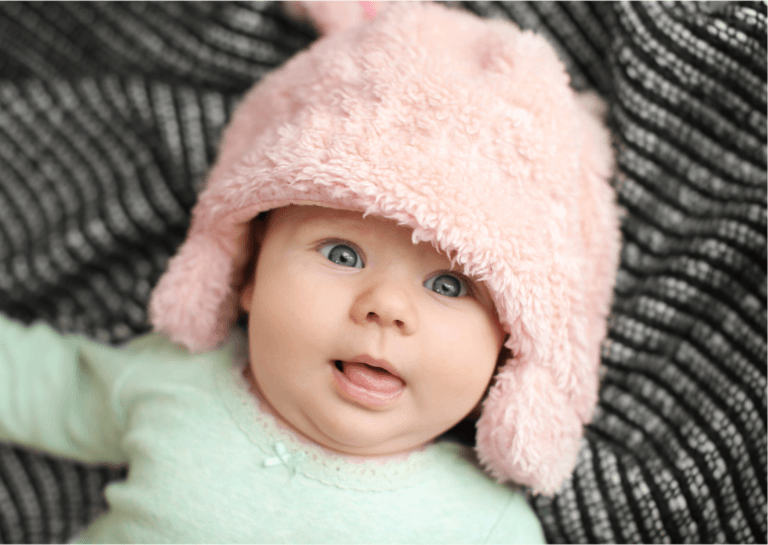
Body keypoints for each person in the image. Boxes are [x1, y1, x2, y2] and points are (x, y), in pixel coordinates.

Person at [0, 2, 620, 542]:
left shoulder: (484, 526)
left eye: (448, 285)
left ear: (510, 347)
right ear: (247, 274)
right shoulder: (172, 382)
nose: (387, 307)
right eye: (342, 254)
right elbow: (45, 385)